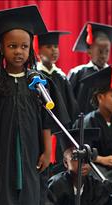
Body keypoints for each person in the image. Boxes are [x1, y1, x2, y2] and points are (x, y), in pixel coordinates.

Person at [0, 5, 70, 205]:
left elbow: (47, 121)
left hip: (32, 150)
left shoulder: (40, 83)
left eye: (24, 46)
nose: (18, 51)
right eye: (12, 46)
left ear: (30, 49)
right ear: (1, 48)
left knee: (30, 192)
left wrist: (47, 151)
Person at [74, 66, 112, 184]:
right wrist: (101, 159)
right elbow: (81, 150)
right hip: (97, 166)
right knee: (103, 182)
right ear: (100, 97)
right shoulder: (88, 122)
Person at [36, 30, 79, 174]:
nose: (54, 50)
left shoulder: (61, 76)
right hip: (40, 135)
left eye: (56, 46)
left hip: (61, 134)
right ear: (38, 49)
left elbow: (70, 108)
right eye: (48, 46)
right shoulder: (34, 76)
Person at [47, 128, 112, 205]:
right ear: (65, 162)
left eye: (86, 157)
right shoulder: (55, 186)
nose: (83, 163)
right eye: (76, 157)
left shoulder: (97, 187)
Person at [67, 22, 112, 114]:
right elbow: (69, 101)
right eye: (100, 51)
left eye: (107, 51)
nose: (103, 55)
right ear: (89, 52)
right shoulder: (78, 73)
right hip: (82, 124)